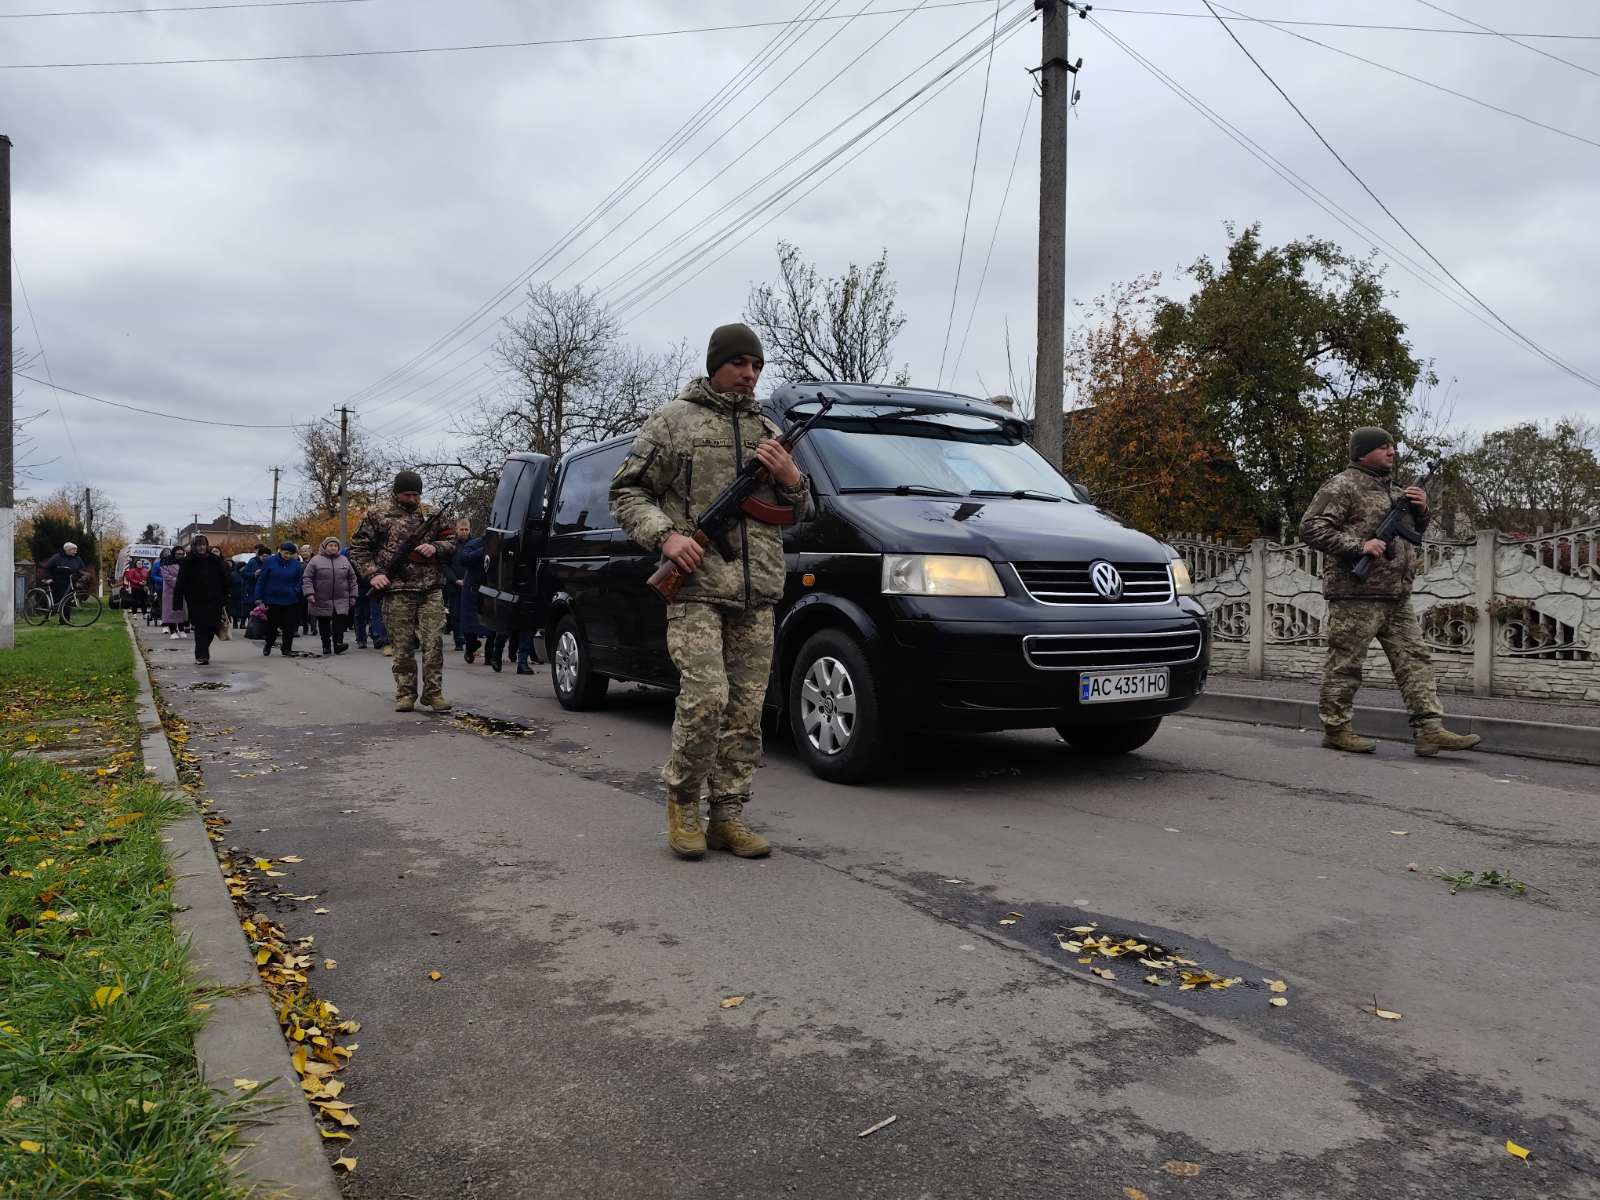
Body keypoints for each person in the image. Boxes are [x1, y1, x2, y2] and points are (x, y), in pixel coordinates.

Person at [609, 322, 811, 860]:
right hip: (696, 586)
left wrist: (790, 476)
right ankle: (683, 805)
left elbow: (802, 510)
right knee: (706, 699)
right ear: (716, 364)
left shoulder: (769, 429)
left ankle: (728, 815)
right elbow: (627, 491)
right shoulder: (674, 422)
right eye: (740, 364)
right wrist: (667, 536)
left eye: (757, 367)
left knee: (745, 710)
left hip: (757, 591)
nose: (750, 375)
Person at [1299, 427, 1482, 757]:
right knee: (1346, 664)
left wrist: (1422, 510)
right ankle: (1337, 729)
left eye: (1393, 446)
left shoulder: (1396, 491)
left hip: (1395, 595)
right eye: (1383, 447)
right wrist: (1359, 546)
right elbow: (1311, 527)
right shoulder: (1342, 485)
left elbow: (1414, 532)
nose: (1392, 451)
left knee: (1415, 661)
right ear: (1362, 453)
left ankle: (1430, 730)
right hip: (1355, 593)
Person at [350, 470, 458, 714]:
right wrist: (373, 574)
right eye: (407, 494)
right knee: (402, 645)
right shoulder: (377, 514)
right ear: (397, 493)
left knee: (433, 643)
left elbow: (451, 541)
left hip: (430, 588)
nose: (412, 499)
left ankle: (433, 693)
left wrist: (435, 547)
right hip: (396, 589)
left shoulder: (431, 513)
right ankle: (406, 693)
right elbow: (358, 549)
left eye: (416, 494)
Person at [172, 535, 230, 665]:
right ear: (194, 546)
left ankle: (203, 650)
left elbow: (225, 579)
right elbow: (181, 582)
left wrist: (226, 596)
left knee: (211, 627)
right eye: (198, 545)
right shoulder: (188, 562)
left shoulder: (214, 560)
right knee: (200, 627)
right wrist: (178, 601)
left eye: (203, 545)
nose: (201, 547)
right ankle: (201, 655)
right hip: (196, 600)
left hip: (215, 600)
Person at [304, 536, 358, 656]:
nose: (333, 548)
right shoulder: (315, 560)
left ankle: (338, 644)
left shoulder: (344, 560)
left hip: (341, 598)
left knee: (339, 623)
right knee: (324, 623)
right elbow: (307, 578)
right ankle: (326, 645)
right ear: (324, 546)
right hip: (321, 598)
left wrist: (353, 595)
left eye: (335, 546)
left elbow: (352, 579)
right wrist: (309, 593)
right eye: (330, 545)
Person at [254, 541, 306, 656]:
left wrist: (296, 590)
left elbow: (300, 580)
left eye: (290, 554)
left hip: (290, 599)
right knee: (271, 626)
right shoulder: (270, 562)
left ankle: (287, 648)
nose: (287, 556)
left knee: (289, 626)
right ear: (280, 551)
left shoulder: (296, 565)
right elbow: (262, 580)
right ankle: (268, 644)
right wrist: (258, 597)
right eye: (285, 553)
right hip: (272, 599)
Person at [40, 541, 89, 624]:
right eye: (73, 550)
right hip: (57, 581)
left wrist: (84, 575)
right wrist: (48, 578)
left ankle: (65, 620)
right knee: (61, 600)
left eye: (76, 549)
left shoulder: (78, 559)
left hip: (71, 581)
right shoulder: (57, 557)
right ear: (67, 550)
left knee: (68, 600)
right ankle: (51, 615)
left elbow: (82, 570)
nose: (75, 551)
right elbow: (47, 567)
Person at [445, 518, 473, 652]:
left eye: (466, 529)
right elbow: (445, 566)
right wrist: (455, 580)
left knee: (468, 613)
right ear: (457, 530)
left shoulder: (474, 544)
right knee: (455, 614)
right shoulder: (452, 545)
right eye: (461, 529)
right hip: (454, 584)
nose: (464, 532)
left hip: (470, 584)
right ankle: (459, 640)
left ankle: (470, 639)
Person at [161, 546, 189, 637]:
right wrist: (179, 582)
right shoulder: (166, 562)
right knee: (171, 611)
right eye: (178, 554)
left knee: (181, 610)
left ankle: (181, 629)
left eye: (182, 554)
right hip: (170, 590)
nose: (180, 556)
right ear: (174, 553)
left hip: (182, 590)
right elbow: (167, 576)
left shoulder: (185, 563)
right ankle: (173, 630)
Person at [147, 552, 166, 627]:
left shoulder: (171, 564)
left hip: (170, 587)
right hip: (160, 587)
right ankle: (162, 618)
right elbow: (153, 576)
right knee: (161, 603)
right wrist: (163, 580)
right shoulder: (157, 564)